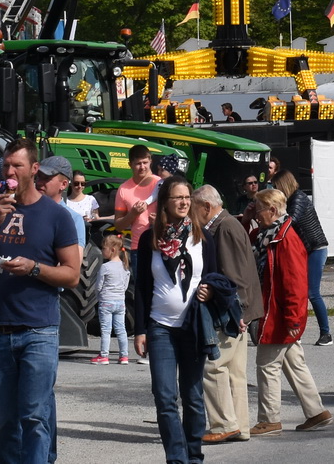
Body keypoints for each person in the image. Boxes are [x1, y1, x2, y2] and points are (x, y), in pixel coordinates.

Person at [0, 140, 82, 464]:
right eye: (5, 165)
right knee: (3, 423)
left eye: (17, 166)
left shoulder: (56, 216)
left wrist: (34, 268)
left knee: (35, 418)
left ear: (34, 169)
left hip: (38, 330)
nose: (10, 172)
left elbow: (72, 275)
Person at [131, 176, 207, 464]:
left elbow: (216, 276)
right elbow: (141, 287)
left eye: (187, 197)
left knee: (193, 397)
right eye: (177, 197)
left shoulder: (202, 237)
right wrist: (139, 330)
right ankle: (177, 459)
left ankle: (194, 456)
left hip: (193, 327)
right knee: (164, 398)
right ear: (165, 202)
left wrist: (211, 289)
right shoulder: (149, 239)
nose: (184, 202)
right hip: (160, 326)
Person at [248, 188, 332, 435]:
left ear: (272, 210)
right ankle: (316, 412)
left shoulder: (285, 238)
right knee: (294, 363)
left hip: (280, 315)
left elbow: (295, 282)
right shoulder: (272, 234)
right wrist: (247, 219)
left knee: (267, 365)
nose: (255, 212)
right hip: (279, 313)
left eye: (258, 208)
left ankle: (269, 419)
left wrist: (294, 318)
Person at [193, 184, 263, 445]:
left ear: (206, 207)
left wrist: (240, 312)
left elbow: (235, 275)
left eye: (194, 208)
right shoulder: (227, 225)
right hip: (238, 311)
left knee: (214, 366)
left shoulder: (223, 228)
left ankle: (224, 424)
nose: (191, 215)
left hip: (232, 312)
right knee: (234, 371)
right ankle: (239, 426)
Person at [274, 170, 332, 346]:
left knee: (312, 293)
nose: (276, 191)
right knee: (300, 291)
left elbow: (291, 220)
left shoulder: (298, 198)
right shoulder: (293, 199)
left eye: (276, 187)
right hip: (307, 249)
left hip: (316, 248)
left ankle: (326, 333)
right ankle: (297, 331)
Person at [92, 235, 130, 365]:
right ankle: (124, 356)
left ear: (112, 249)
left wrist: (98, 296)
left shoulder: (105, 267)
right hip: (120, 302)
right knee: (121, 329)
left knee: (106, 330)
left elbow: (98, 285)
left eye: (104, 248)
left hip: (106, 302)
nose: (102, 251)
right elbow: (125, 286)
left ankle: (104, 356)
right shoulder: (125, 266)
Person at [115, 145, 161, 251]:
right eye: (138, 164)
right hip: (138, 247)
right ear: (130, 164)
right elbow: (118, 226)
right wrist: (133, 214)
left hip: (161, 244)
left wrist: (159, 220)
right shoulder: (123, 189)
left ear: (150, 161)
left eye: (145, 162)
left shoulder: (160, 184)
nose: (142, 167)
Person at [35, 155, 86, 242]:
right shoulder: (26, 211)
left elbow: (76, 254)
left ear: (63, 185)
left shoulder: (73, 219)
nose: (39, 182)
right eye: (38, 177)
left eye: (46, 178)